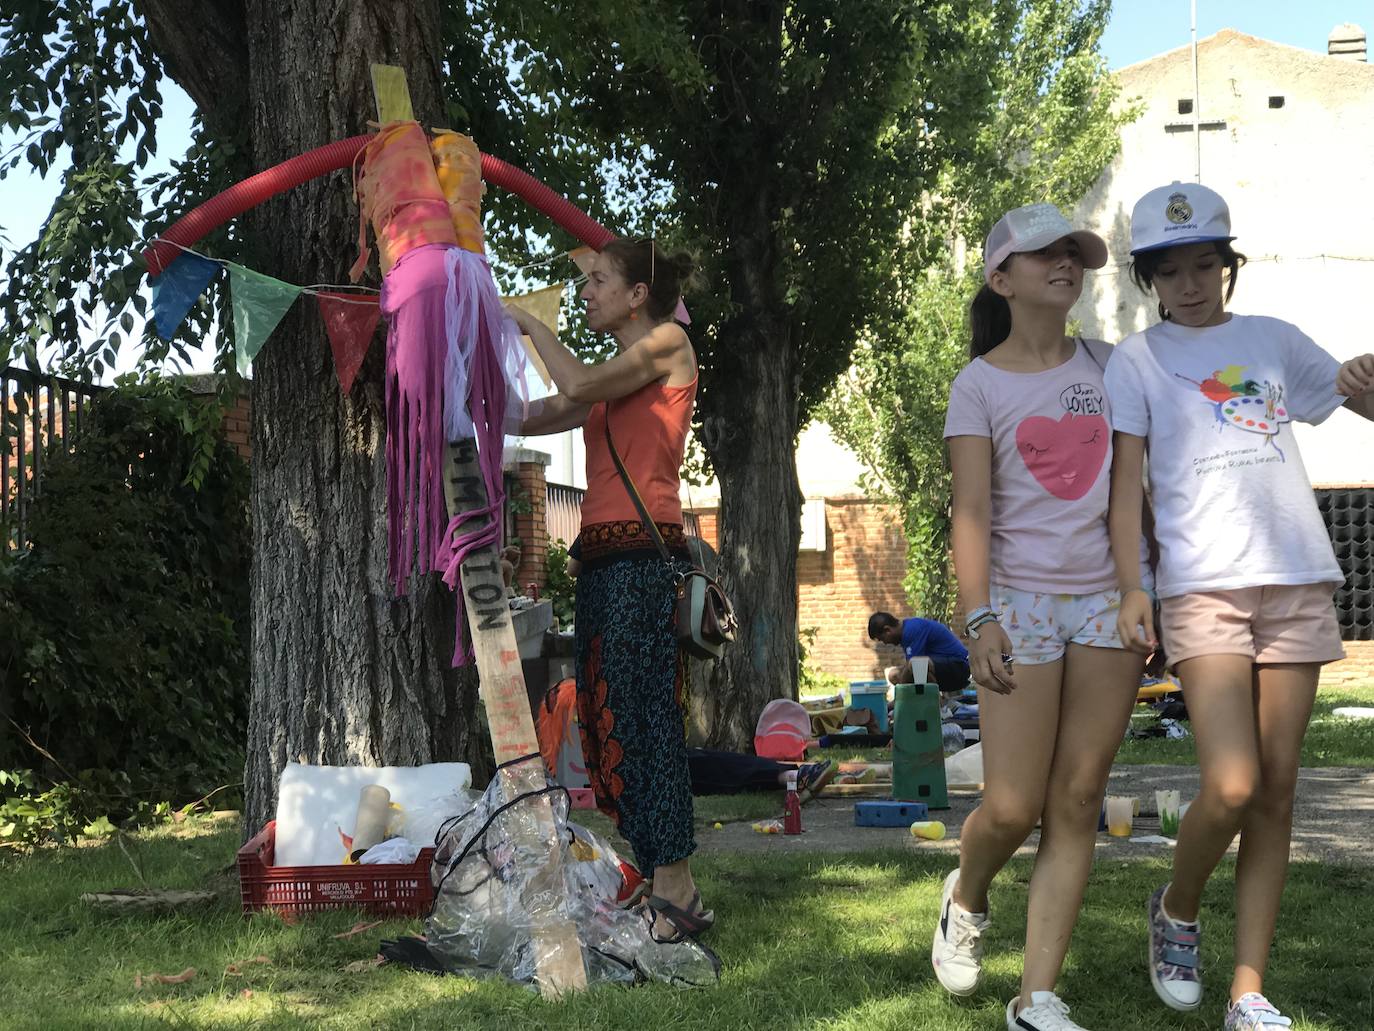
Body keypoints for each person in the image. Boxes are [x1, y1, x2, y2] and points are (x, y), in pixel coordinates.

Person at [1105, 182, 1374, 1030]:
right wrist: (1132, 584)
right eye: (1172, 269)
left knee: (1278, 790)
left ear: (1229, 266)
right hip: (1201, 587)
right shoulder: (1137, 360)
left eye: (1207, 264)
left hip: (1295, 575)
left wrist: (1366, 380)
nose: (1192, 282)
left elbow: (1351, 398)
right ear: (1151, 278)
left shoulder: (1274, 340)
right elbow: (1123, 493)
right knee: (1228, 781)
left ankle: (1248, 990)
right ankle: (1177, 908)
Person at [936, 203, 1148, 1031]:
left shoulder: (1113, 366)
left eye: (1073, 252)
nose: (1065, 262)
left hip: (1104, 600)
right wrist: (979, 615)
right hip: (1016, 604)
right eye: (1043, 253)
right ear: (1003, 277)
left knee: (1079, 794)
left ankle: (1036, 997)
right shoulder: (978, 383)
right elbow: (972, 511)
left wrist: (1138, 588)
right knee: (1014, 804)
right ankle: (966, 893)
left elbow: (1132, 489)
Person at [509, 237, 708, 942]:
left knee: (647, 719)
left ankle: (678, 889)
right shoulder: (615, 379)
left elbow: (583, 387)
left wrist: (531, 325)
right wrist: (459, 406)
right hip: (600, 558)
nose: (586, 291)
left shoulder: (667, 343)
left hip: (640, 560)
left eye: (598, 280)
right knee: (607, 717)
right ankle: (659, 873)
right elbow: (543, 412)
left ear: (638, 294)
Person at [867, 611, 970, 692]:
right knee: (894, 675)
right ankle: (927, 705)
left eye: (882, 639)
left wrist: (899, 700)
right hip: (942, 668)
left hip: (960, 668)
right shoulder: (905, 632)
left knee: (917, 665)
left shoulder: (912, 629)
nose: (885, 643)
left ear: (887, 630)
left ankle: (938, 706)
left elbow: (913, 664)